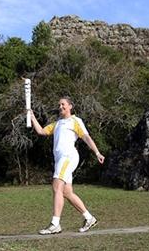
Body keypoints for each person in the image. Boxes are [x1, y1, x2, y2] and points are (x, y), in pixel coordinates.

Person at [29, 96, 105, 235]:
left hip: (68, 157)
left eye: (63, 104)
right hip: (60, 160)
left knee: (56, 186)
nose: (60, 107)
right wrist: (32, 116)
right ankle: (89, 218)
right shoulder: (57, 124)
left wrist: (97, 152)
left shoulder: (75, 121)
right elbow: (41, 131)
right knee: (66, 192)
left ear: (70, 106)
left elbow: (86, 137)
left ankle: (55, 224)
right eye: (59, 105)